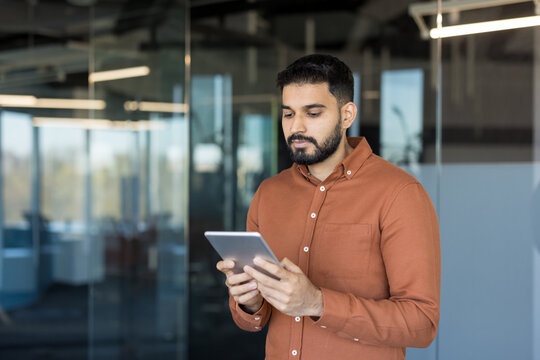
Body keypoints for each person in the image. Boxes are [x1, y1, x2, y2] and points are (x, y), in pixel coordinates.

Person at [216, 54, 440, 360]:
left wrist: (318, 303)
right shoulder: (269, 194)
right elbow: (253, 320)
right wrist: (248, 301)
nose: (296, 127)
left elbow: (421, 324)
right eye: (288, 114)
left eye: (313, 113)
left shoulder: (399, 194)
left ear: (347, 115)